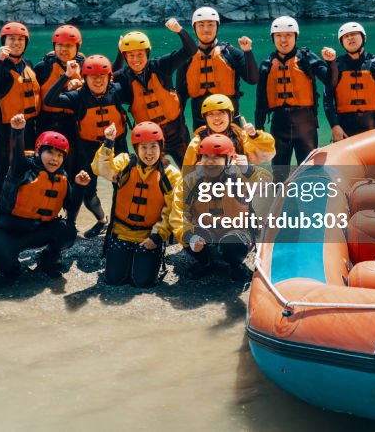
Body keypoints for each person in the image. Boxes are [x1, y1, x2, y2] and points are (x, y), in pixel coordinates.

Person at [43, 54, 130, 238]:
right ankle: (101, 221)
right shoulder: (78, 97)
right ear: (84, 78)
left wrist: (120, 54)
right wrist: (66, 76)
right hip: (88, 149)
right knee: (86, 192)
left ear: (109, 78)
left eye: (102, 76)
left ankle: (116, 225)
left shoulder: (118, 90)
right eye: (93, 77)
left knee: (122, 189)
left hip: (118, 147)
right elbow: (49, 100)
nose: (98, 80)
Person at [0, 115, 86, 279]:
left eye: (60, 155)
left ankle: (48, 258)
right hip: (11, 231)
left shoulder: (62, 177)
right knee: (1, 263)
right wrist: (18, 131)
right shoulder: (21, 170)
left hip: (40, 231)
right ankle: (13, 266)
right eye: (50, 152)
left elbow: (71, 208)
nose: (55, 158)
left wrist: (79, 187)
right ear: (38, 151)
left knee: (68, 231)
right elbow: (16, 155)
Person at [92, 122, 183, 288]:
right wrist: (108, 143)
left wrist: (157, 237)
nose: (149, 153)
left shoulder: (170, 174)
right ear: (136, 148)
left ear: (161, 147)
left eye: (153, 147)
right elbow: (100, 169)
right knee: (114, 280)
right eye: (144, 147)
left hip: (149, 237)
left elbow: (172, 210)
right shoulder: (125, 162)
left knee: (142, 282)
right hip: (121, 233)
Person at [172, 134, 267, 280]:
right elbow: (178, 214)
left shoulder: (239, 177)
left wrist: (248, 170)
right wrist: (190, 237)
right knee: (192, 236)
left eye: (216, 158)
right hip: (205, 232)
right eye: (206, 157)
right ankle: (206, 262)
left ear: (228, 160)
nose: (210, 162)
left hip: (237, 232)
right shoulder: (190, 181)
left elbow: (266, 183)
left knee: (233, 245)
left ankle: (233, 264)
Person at [254, 16, 336, 168]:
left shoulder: (306, 57)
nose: (283, 40)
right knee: (279, 172)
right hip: (279, 125)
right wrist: (259, 130)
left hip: (305, 124)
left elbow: (330, 81)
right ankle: (280, 192)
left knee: (308, 170)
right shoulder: (267, 64)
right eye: (279, 36)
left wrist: (331, 63)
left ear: (295, 37)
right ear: (273, 38)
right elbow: (260, 101)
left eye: (288, 35)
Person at [113, 20, 197, 165]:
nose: (136, 59)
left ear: (147, 53)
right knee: (156, 180)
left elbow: (191, 50)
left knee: (192, 171)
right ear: (125, 57)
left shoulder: (161, 66)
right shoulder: (123, 78)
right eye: (130, 56)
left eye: (140, 54)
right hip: (150, 139)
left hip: (177, 132)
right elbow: (106, 80)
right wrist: (119, 54)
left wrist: (180, 31)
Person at [0, 22, 42, 194]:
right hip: (5, 131)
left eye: (21, 39)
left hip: (29, 128)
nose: (16, 43)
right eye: (12, 39)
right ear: (3, 42)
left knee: (28, 172)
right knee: (2, 174)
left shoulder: (28, 64)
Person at [177, 7, 258, 131]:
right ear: (194, 28)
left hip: (231, 122)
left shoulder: (230, 53)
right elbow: (180, 95)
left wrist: (247, 52)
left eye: (211, 25)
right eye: (201, 25)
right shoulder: (186, 58)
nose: (206, 29)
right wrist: (179, 126)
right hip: (201, 123)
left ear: (217, 27)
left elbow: (253, 79)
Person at [323, 22, 375, 140]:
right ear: (341, 42)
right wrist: (334, 125)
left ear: (364, 38)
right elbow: (327, 100)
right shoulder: (336, 66)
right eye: (346, 36)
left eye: (354, 34)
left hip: (371, 125)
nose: (350, 38)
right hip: (344, 126)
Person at [182, 94, 276, 166]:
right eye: (210, 114)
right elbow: (185, 181)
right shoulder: (197, 143)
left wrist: (254, 136)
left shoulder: (241, 138)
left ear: (231, 116)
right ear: (205, 118)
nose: (216, 118)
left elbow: (268, 154)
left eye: (221, 113)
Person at [34, 24, 85, 142]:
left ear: (77, 47)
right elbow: (26, 94)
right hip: (47, 122)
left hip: (74, 124)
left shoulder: (84, 67)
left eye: (69, 45)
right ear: (54, 46)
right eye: (60, 45)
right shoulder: (43, 67)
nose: (63, 49)